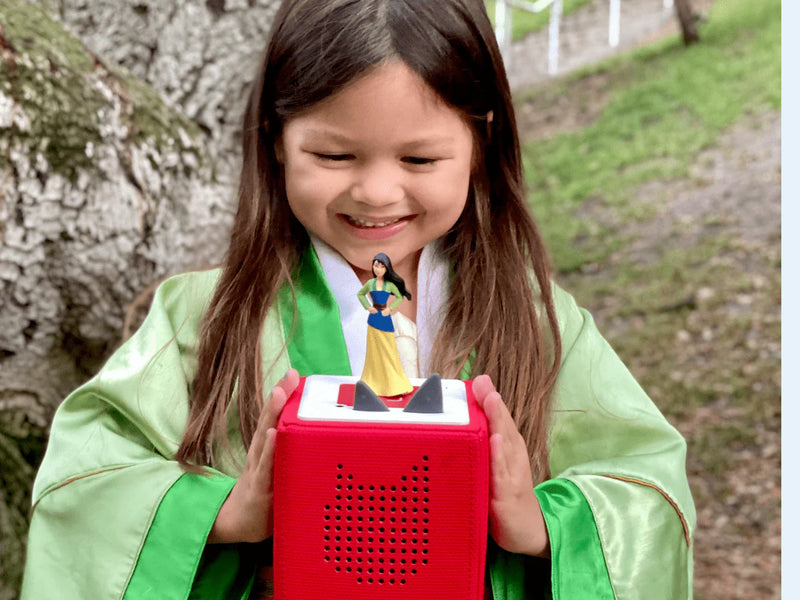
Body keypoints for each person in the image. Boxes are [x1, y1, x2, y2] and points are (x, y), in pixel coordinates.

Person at [21, 1, 695, 599]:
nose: (376, 192)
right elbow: (85, 479)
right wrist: (227, 514)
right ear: (275, 143)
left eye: (420, 160)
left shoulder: (536, 322)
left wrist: (544, 523)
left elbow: (647, 485)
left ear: (481, 145)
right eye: (337, 156)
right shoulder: (201, 317)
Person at [357, 253, 414, 397]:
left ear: (387, 268)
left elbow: (399, 297)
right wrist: (367, 306)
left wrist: (390, 309)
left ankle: (393, 383)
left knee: (389, 351)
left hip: (385, 318)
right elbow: (360, 294)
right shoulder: (370, 283)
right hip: (373, 317)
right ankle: (373, 383)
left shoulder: (390, 285)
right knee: (374, 352)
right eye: (376, 265)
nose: (378, 269)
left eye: (382, 266)